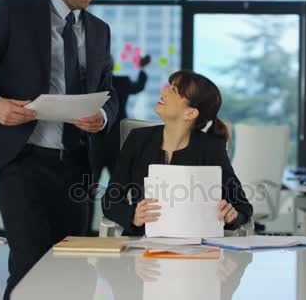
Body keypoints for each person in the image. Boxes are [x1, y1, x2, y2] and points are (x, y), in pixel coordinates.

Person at [0, 0, 117, 298]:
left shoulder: (100, 30)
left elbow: (109, 91)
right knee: (30, 266)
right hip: (22, 160)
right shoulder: (14, 9)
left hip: (76, 165)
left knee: (71, 266)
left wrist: (102, 116)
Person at [101, 70, 253, 236]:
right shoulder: (138, 139)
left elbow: (243, 207)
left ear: (190, 113)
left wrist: (232, 217)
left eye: (173, 90)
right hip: (142, 247)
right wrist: (133, 217)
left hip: (197, 250)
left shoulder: (211, 148)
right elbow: (110, 201)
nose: (163, 91)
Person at [88, 54, 149, 232]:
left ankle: (122, 226)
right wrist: (142, 68)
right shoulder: (93, 86)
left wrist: (142, 69)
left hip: (110, 143)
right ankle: (86, 230)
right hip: (100, 143)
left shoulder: (117, 82)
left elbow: (138, 86)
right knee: (93, 189)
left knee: (117, 189)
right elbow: (139, 86)